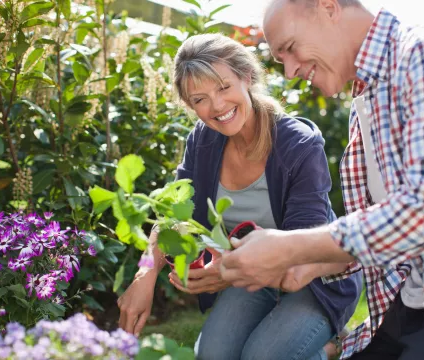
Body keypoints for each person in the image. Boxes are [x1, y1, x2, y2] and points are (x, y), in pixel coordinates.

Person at [220, 0, 424, 359]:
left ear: (328, 8)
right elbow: (396, 230)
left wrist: (292, 247)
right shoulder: (368, 94)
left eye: (289, 48)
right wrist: (314, 264)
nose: (289, 71)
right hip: (411, 306)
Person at [117, 33, 362, 360]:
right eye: (200, 99)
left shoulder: (298, 145)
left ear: (246, 77)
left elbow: (301, 253)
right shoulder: (203, 142)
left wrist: (228, 271)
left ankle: (325, 344)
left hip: (314, 277)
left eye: (223, 87)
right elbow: (175, 215)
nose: (217, 106)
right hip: (251, 277)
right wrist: (145, 273)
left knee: (263, 357)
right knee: (212, 356)